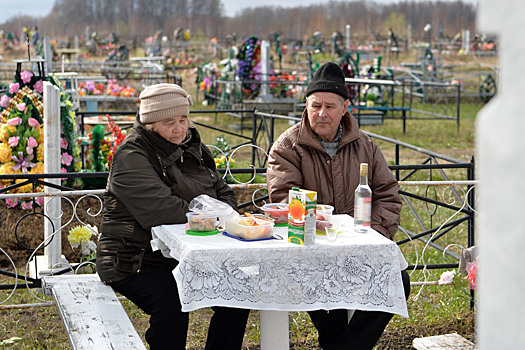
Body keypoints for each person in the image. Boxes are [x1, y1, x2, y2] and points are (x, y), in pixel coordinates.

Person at [266, 62, 410, 350]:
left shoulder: (364, 145)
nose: (322, 113)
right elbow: (284, 198)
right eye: (315, 105)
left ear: (345, 107)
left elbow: (387, 195)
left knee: (398, 279)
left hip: (359, 247)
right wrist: (317, 224)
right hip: (309, 250)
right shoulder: (288, 146)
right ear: (305, 105)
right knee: (325, 301)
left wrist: (371, 235)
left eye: (330, 106)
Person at [96, 83, 250, 350]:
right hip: (134, 259)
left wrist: (214, 214)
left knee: (236, 295)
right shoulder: (132, 155)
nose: (179, 128)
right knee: (172, 303)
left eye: (183, 120)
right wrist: (215, 216)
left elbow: (225, 195)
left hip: (188, 254)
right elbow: (164, 210)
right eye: (170, 122)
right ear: (151, 124)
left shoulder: (195, 149)